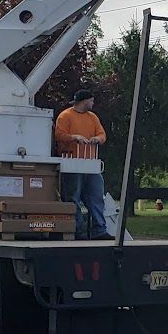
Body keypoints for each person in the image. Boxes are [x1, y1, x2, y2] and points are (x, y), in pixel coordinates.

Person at [54, 88, 112, 241]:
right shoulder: (65, 116)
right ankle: (78, 231)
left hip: (91, 163)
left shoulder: (92, 117)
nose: (93, 103)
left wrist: (97, 139)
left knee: (96, 196)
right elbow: (59, 135)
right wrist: (74, 137)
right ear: (85, 101)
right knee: (73, 196)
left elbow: (102, 134)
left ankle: (99, 230)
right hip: (72, 162)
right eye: (91, 100)